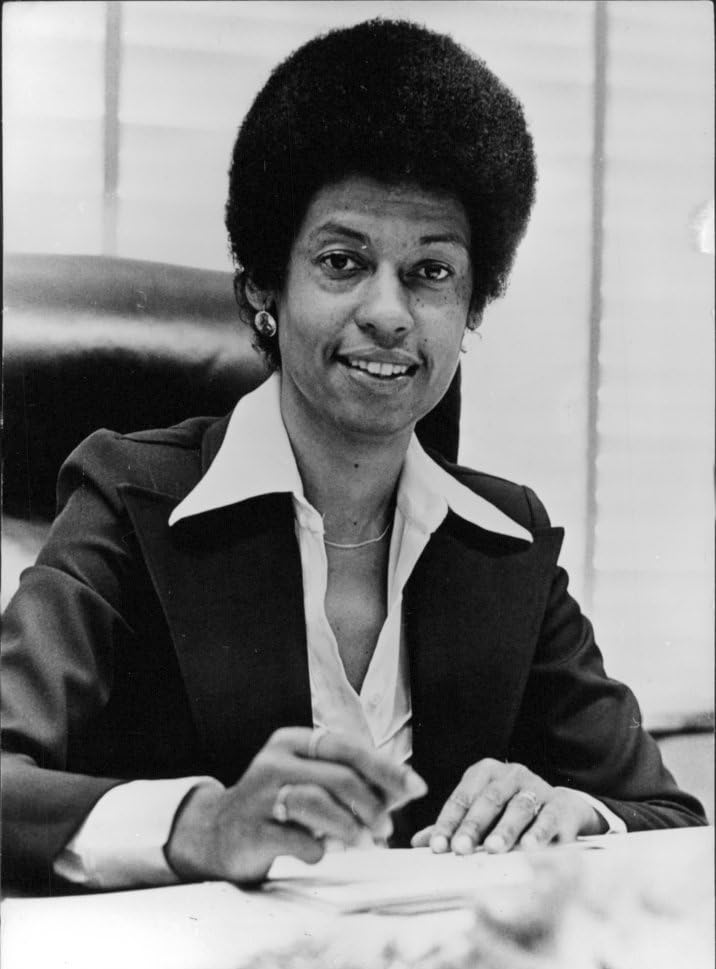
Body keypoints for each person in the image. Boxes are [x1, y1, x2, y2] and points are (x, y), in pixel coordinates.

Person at [1, 18, 705, 892]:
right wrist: (200, 824)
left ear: (472, 308)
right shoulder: (131, 498)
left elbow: (668, 813)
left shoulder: (507, 539)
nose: (389, 313)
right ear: (263, 289)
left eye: (431, 273)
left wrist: (571, 808)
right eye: (342, 262)